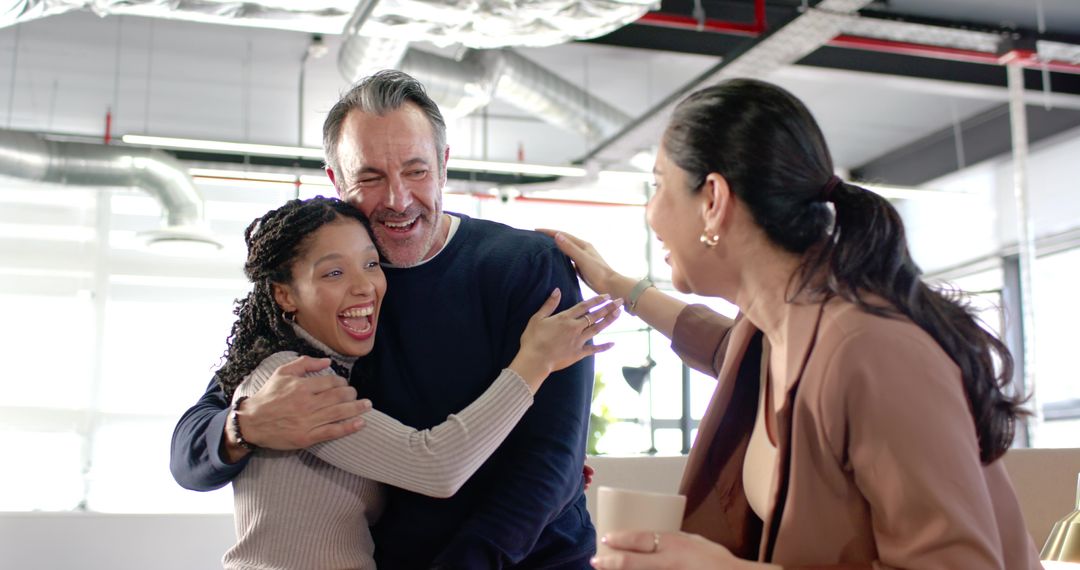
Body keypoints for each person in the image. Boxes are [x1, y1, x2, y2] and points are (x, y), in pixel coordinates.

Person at [539, 78, 1039, 569]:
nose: (651, 212)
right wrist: (619, 287)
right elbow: (723, 347)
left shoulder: (870, 349)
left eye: (658, 185)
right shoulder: (772, 332)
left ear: (713, 200)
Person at [170, 70, 600, 568]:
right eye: (370, 177)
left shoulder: (525, 267)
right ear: (337, 181)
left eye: (416, 171)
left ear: (443, 166)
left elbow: (551, 461)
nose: (397, 199)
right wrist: (244, 426)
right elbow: (190, 449)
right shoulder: (326, 301)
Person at [215, 196, 619, 569]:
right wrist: (535, 361)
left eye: (371, 264)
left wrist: (528, 465)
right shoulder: (293, 379)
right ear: (284, 295)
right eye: (334, 272)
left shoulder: (347, 373)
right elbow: (434, 466)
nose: (363, 286)